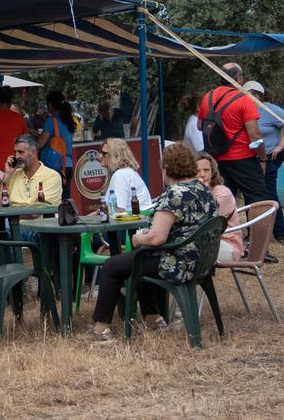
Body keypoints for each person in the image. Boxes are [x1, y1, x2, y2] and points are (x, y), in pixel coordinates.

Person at [87, 142, 218, 342]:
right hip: (201, 261)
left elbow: (157, 238)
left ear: (166, 169)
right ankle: (153, 318)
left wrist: (139, 238)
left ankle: (100, 328)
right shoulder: (204, 190)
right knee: (139, 258)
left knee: (113, 265)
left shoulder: (175, 194)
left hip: (178, 263)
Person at [197, 63, 280, 239]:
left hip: (216, 159)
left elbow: (200, 125)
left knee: (222, 199)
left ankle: (220, 241)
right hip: (243, 158)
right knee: (258, 200)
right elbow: (255, 135)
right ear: (239, 78)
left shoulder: (208, 98)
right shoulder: (243, 99)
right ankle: (258, 244)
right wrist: (263, 160)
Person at [245, 81, 284, 235]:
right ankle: (270, 229)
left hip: (270, 155)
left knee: (269, 192)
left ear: (257, 95)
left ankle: (279, 231)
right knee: (260, 192)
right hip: (254, 156)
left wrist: (281, 145)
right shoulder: (246, 110)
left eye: (249, 94)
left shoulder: (270, 109)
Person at [197, 152, 242, 263]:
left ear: (212, 172)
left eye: (206, 170)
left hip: (227, 245)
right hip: (207, 241)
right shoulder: (191, 191)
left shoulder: (222, 193)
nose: (202, 174)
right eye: (197, 171)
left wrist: (202, 192)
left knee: (186, 251)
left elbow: (203, 222)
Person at [3, 134, 63, 206]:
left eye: (20, 152)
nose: (16, 156)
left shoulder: (51, 176)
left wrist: (10, 214)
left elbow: (36, 211)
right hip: (12, 216)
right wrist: (7, 175)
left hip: (38, 217)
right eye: (15, 152)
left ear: (34, 153)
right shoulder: (13, 175)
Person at [100, 138, 152, 214]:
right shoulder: (125, 172)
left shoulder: (121, 175)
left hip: (134, 224)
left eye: (104, 153)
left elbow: (119, 210)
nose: (100, 156)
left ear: (115, 155)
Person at [38, 91, 77, 179]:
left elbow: (40, 144)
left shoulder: (51, 120)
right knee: (66, 193)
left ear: (51, 105)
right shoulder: (68, 120)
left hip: (54, 166)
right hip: (68, 165)